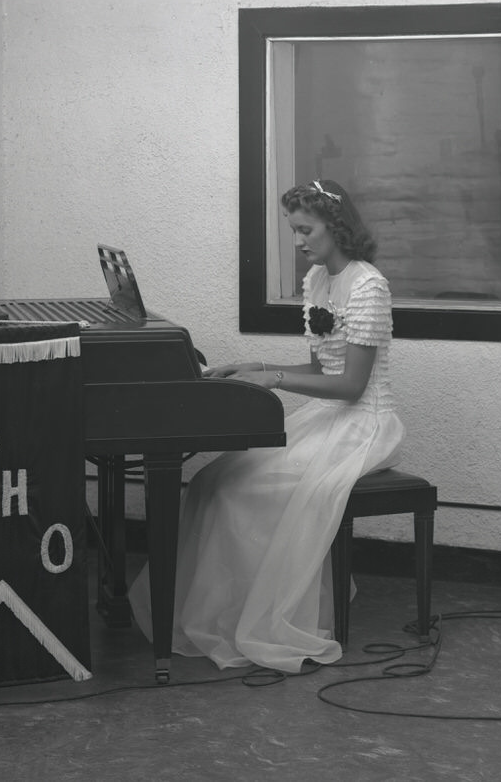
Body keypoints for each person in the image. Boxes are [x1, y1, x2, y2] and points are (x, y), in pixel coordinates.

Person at [129, 179, 404, 673]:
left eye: (306, 230)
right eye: (293, 230)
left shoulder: (368, 285)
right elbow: (320, 371)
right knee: (216, 479)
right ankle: (224, 610)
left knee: (249, 490)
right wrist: (254, 367)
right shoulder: (319, 280)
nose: (298, 242)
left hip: (364, 424)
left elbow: (353, 387)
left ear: (335, 227)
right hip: (327, 416)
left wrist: (274, 379)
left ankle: (262, 615)